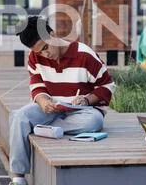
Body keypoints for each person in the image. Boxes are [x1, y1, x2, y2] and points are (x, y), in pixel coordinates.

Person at [9, 16, 116, 185]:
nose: (46, 54)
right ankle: (18, 178)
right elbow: (37, 85)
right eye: (40, 52)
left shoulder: (84, 55)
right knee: (18, 116)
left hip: (81, 111)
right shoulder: (35, 56)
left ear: (53, 34)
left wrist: (87, 100)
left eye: (46, 47)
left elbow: (108, 86)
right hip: (51, 109)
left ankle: (40, 129)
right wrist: (43, 102)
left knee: (93, 121)